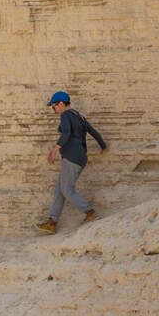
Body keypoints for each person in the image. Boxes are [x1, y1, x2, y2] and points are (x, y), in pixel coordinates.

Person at [37, 90, 107, 233]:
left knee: (67, 189)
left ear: (61, 104)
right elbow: (93, 132)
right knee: (59, 190)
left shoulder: (66, 115)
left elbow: (66, 134)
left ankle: (90, 213)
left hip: (72, 157)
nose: (54, 110)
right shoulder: (78, 116)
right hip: (79, 156)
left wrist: (54, 150)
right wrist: (103, 146)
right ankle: (52, 222)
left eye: (54, 107)